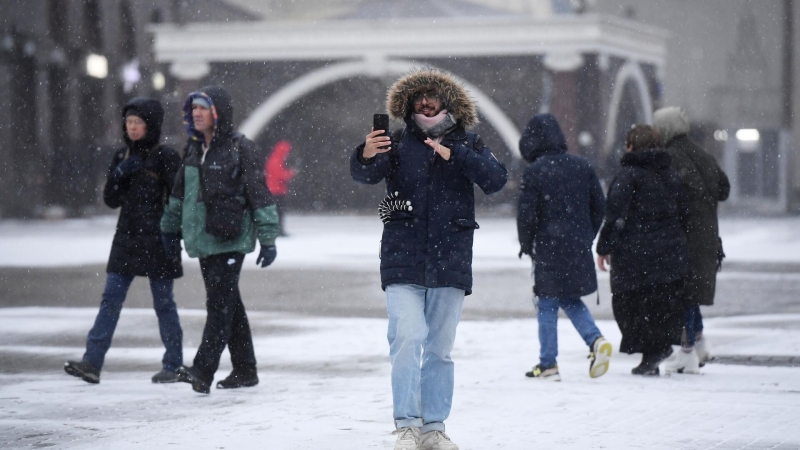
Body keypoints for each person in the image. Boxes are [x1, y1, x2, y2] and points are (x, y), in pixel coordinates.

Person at [350, 69, 507, 450]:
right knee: (406, 338)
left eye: (432, 96)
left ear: (446, 101)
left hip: (450, 259)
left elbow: (497, 179)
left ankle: (433, 427)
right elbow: (365, 175)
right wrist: (365, 153)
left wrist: (458, 156)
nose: (425, 101)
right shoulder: (399, 140)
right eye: (419, 96)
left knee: (439, 347)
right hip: (402, 256)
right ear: (408, 102)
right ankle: (406, 424)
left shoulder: (469, 141)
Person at [161, 85, 280, 394]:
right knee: (229, 305)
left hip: (231, 238)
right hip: (204, 239)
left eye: (203, 107)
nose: (196, 113)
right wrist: (168, 231)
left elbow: (260, 194)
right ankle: (245, 369)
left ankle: (202, 370)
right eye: (194, 108)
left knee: (219, 306)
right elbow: (179, 196)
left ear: (218, 113)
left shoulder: (241, 148)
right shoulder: (193, 149)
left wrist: (268, 238)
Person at [64, 98, 184, 384]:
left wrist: (173, 235)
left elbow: (180, 198)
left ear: (150, 125)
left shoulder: (165, 156)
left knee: (163, 303)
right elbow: (111, 199)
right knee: (111, 300)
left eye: (138, 123)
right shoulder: (122, 156)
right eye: (129, 122)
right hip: (127, 238)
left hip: (158, 239)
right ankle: (92, 362)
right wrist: (119, 173)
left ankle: (174, 364)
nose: (132, 128)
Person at [516, 113, 611, 382]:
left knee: (547, 302)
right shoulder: (582, 166)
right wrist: (586, 235)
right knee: (570, 297)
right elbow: (599, 206)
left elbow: (526, 215)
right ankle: (595, 340)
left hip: (548, 246)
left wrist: (527, 244)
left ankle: (548, 364)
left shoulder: (535, 172)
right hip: (577, 245)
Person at [596, 125, 690, 376]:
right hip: (670, 252)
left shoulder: (628, 175)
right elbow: (684, 210)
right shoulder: (670, 173)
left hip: (636, 253)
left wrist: (604, 248)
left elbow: (615, 214)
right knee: (661, 304)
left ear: (629, 146)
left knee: (630, 304)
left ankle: (651, 352)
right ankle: (654, 352)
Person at [653, 107, 730, 374]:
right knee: (692, 290)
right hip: (707, 235)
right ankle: (699, 341)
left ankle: (686, 354)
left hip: (684, 236)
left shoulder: (669, 158)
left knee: (683, 292)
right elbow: (724, 189)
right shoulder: (703, 154)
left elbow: (667, 199)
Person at [265, 140, 296, 236]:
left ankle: (277, 230)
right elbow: (280, 175)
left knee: (277, 212)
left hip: (276, 190)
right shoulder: (276, 161)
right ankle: (278, 230)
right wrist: (291, 173)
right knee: (278, 212)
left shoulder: (274, 160)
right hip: (276, 191)